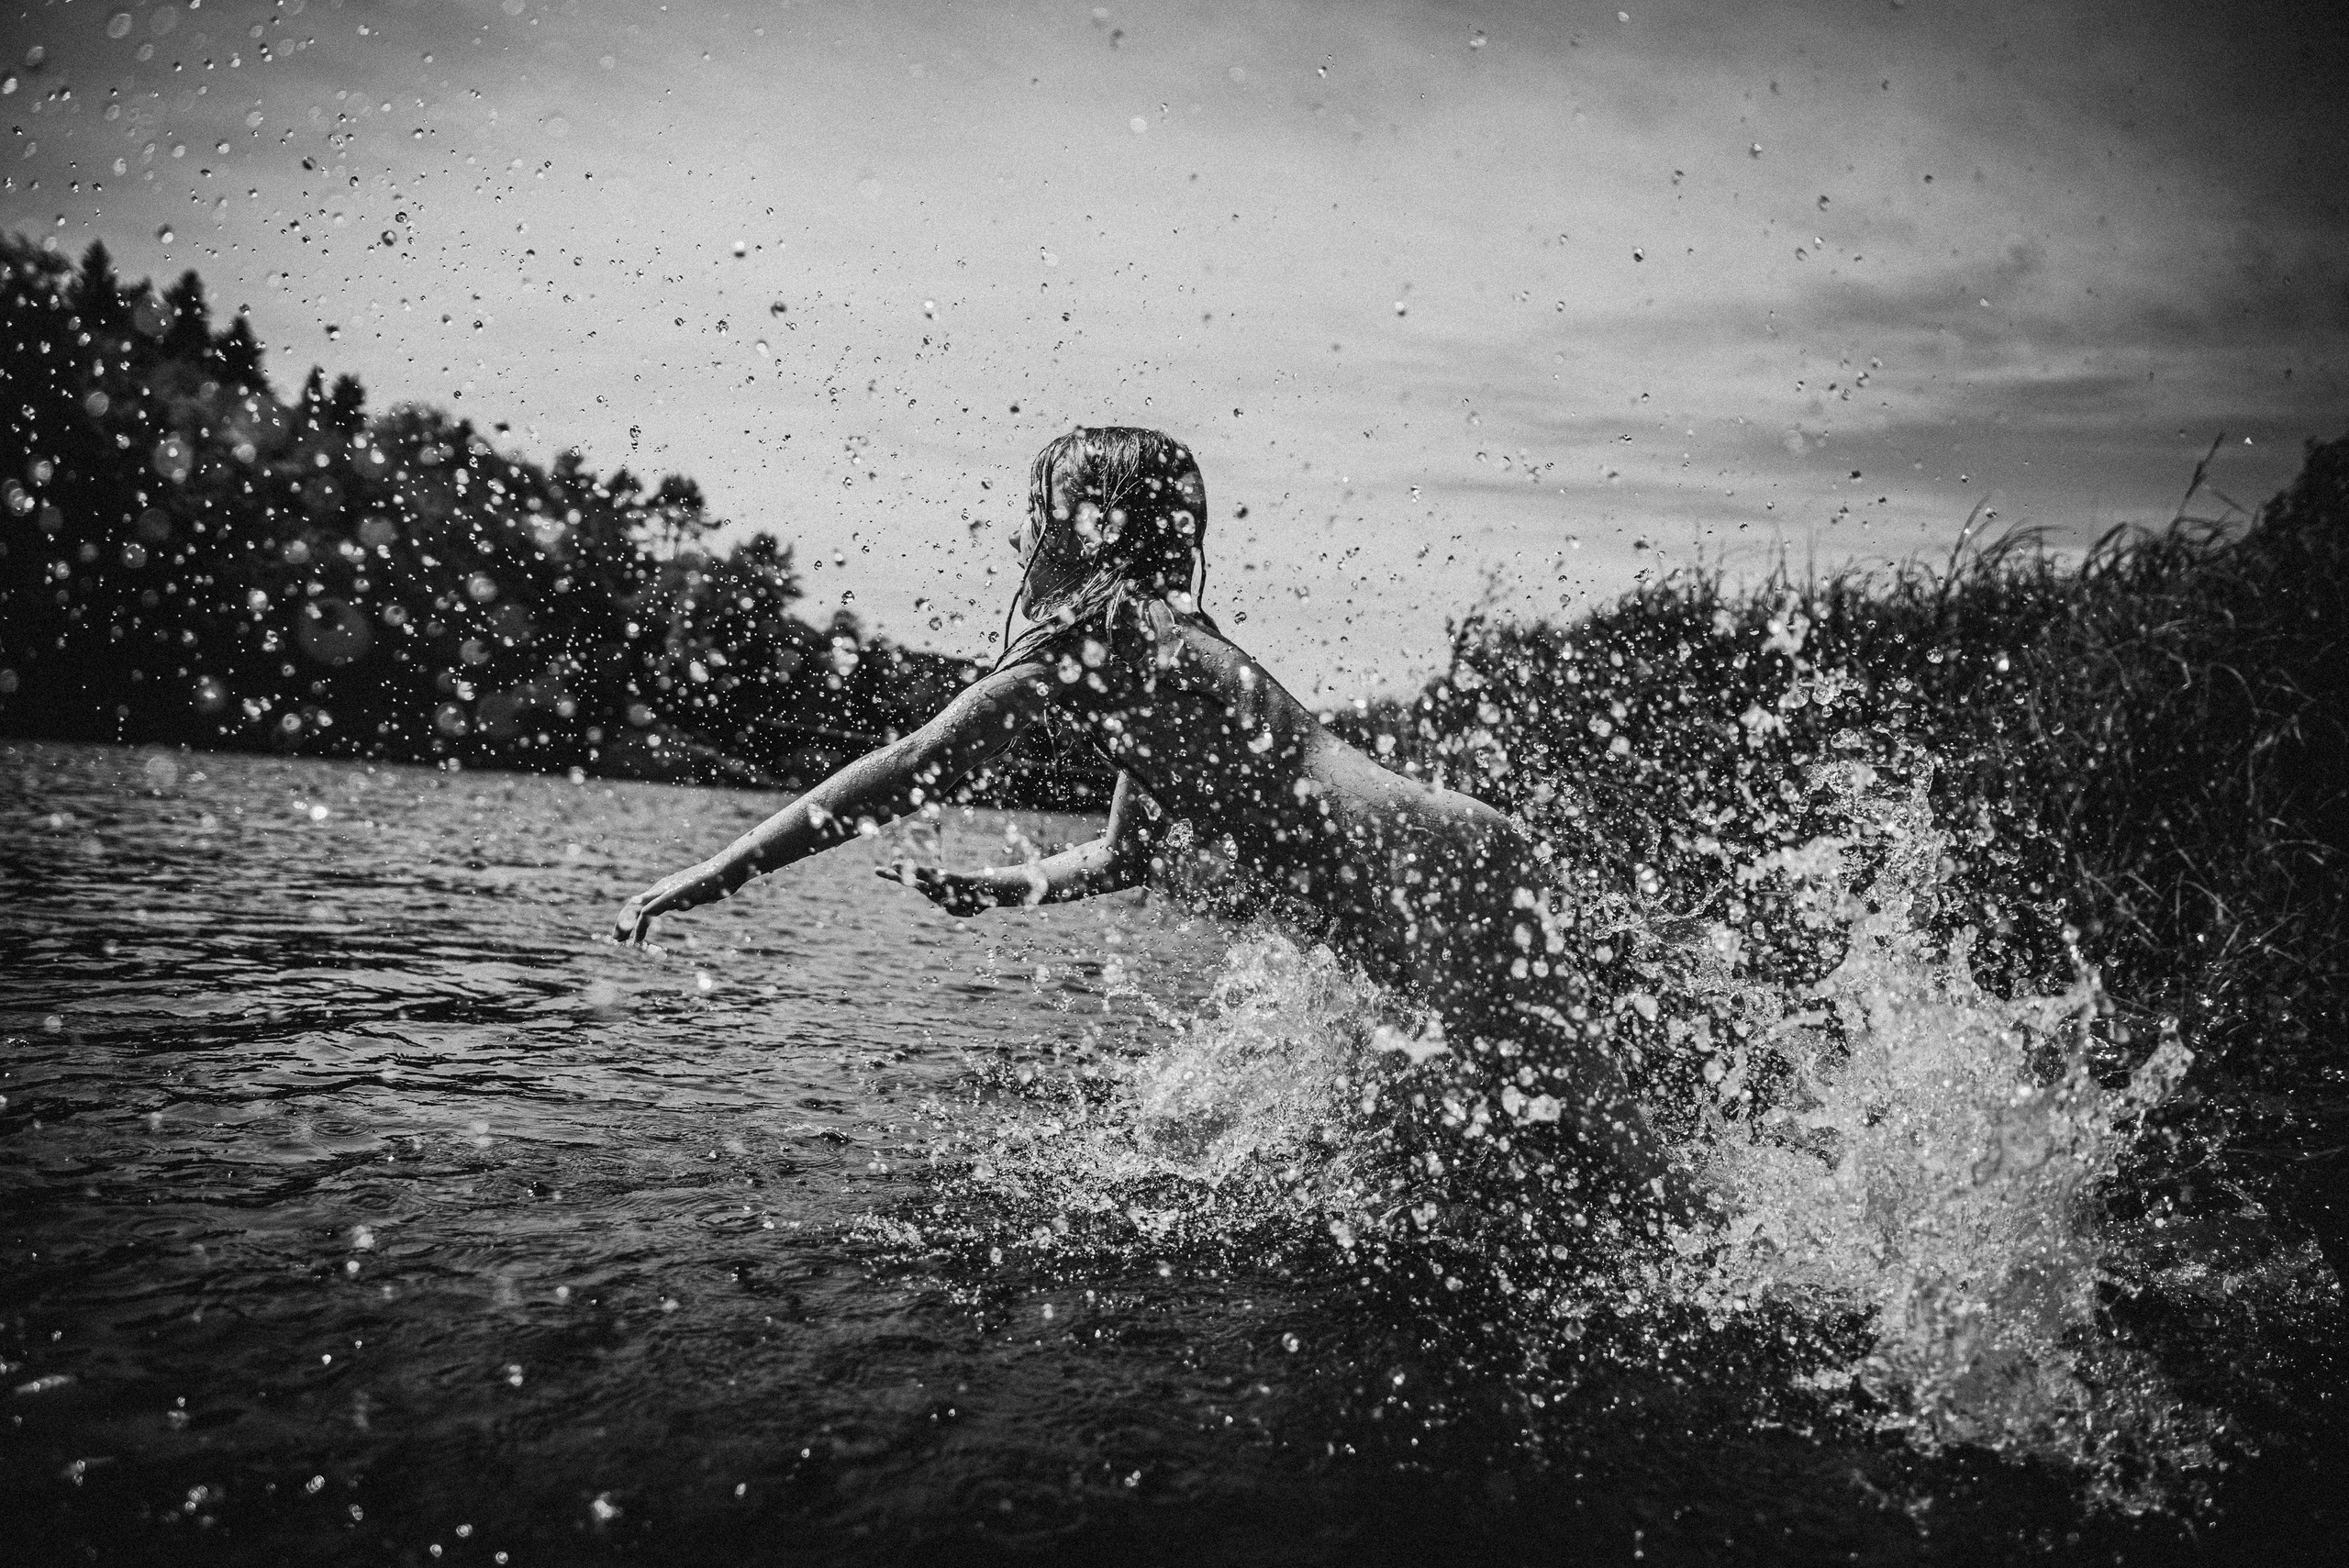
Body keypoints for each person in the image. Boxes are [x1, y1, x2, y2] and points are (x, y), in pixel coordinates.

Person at [614, 427, 1676, 1197]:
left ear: (1090, 525)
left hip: (1421, 866)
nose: (1022, 528)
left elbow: (907, 764)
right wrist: (1004, 886)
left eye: (1039, 509)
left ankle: (1774, 1279)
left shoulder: (1100, 635)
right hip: (1439, 854)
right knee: (1545, 1130)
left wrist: (717, 873)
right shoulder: (1157, 653)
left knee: (1594, 1140)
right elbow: (1128, 854)